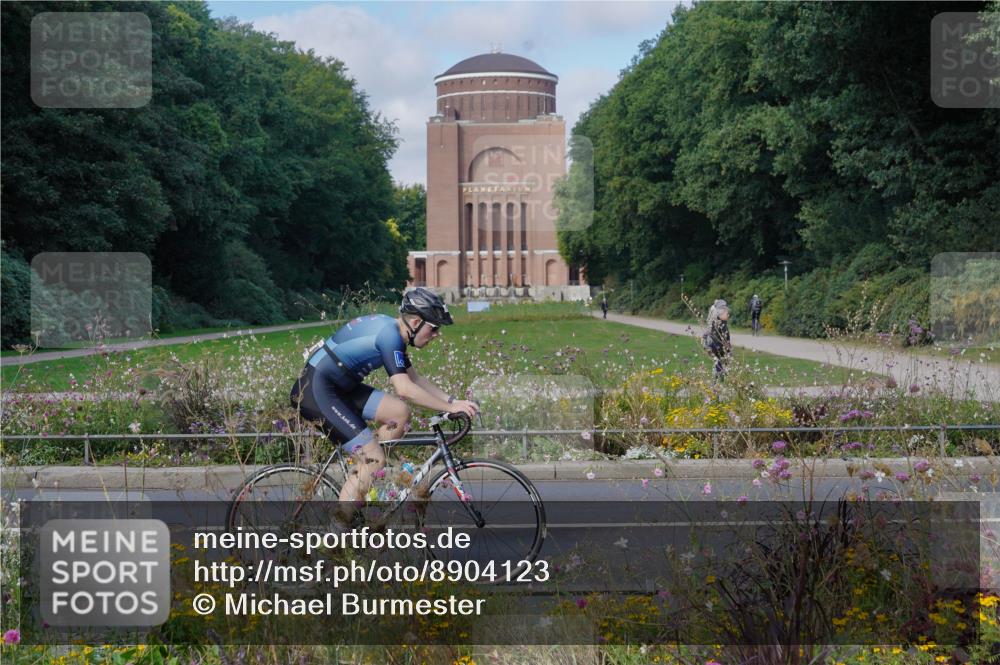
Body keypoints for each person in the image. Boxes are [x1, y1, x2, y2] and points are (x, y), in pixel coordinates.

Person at [290, 287, 480, 506]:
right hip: (317, 391)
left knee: (398, 413)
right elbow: (405, 389)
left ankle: (364, 477)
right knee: (375, 459)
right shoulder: (389, 336)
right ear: (416, 323)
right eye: (434, 328)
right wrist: (450, 409)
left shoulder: (393, 330)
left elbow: (415, 379)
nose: (437, 335)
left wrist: (452, 402)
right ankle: (338, 533)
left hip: (339, 387)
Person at [703, 299, 732, 380]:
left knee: (720, 366)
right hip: (718, 350)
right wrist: (726, 350)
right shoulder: (718, 325)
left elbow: (726, 338)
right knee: (719, 366)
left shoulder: (722, 323)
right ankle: (717, 381)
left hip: (721, 350)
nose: (728, 315)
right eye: (726, 313)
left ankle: (718, 380)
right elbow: (718, 339)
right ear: (720, 314)